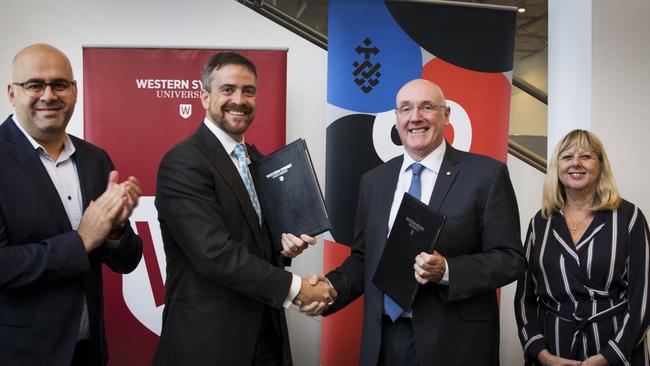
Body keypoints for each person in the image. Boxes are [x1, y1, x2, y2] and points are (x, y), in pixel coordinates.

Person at [301, 79, 526, 365]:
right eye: (405, 109)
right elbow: (364, 259)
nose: (415, 117)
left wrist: (447, 269)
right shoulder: (374, 181)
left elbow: (510, 259)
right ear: (396, 120)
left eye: (427, 107)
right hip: (386, 341)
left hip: (454, 344)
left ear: (446, 115)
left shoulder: (486, 175)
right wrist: (330, 289)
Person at [153, 52, 335, 366]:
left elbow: (255, 242)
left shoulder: (255, 159)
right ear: (204, 97)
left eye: (248, 91)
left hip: (265, 332)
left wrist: (284, 248)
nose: (239, 99)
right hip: (210, 342)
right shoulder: (183, 162)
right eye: (228, 89)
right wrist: (297, 289)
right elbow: (214, 253)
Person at [0, 44, 143, 365]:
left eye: (60, 84)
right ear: (12, 92)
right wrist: (80, 242)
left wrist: (117, 229)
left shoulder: (95, 159)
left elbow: (126, 261)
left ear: (74, 91)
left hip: (88, 350)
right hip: (20, 354)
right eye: (35, 84)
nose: (49, 95)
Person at [514, 129, 650, 366]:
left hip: (616, 351)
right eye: (567, 157)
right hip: (553, 351)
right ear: (558, 166)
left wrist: (609, 357)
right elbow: (524, 297)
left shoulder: (629, 218)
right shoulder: (540, 222)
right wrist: (542, 354)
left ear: (600, 166)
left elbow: (644, 296)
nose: (575, 163)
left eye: (585, 156)